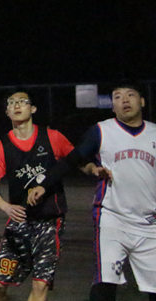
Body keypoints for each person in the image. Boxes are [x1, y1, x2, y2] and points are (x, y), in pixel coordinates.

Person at [0, 91, 75, 301]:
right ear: (7, 112)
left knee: (40, 285)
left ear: (33, 109)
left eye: (22, 102)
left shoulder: (53, 137)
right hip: (19, 224)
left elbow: (76, 159)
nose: (17, 105)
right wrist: (6, 206)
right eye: (11, 103)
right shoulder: (0, 147)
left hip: (49, 223)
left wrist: (93, 169)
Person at [72, 83, 156, 301]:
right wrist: (91, 168)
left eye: (130, 95)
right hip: (112, 218)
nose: (125, 100)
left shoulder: (154, 132)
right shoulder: (102, 130)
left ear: (142, 101)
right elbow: (75, 159)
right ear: (112, 106)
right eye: (117, 97)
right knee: (104, 284)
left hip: (150, 223)